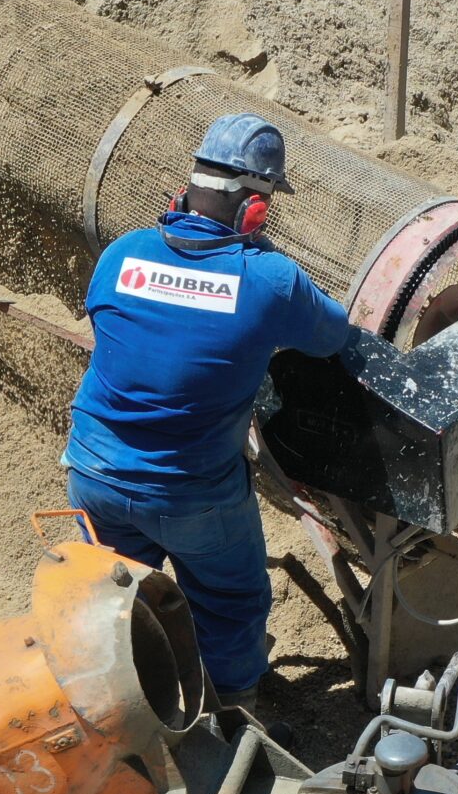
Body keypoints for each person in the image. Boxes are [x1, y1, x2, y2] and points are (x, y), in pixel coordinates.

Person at [66, 114, 354, 717]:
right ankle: (230, 711)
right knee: (230, 600)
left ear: (185, 189)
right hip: (191, 493)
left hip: (92, 472)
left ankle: (126, 701)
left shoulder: (122, 253)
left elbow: (112, 330)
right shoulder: (270, 279)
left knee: (118, 598)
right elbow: (333, 336)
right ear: (254, 208)